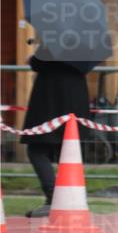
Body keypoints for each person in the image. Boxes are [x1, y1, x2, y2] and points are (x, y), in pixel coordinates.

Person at [22, 43, 91, 217]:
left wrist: (32, 57)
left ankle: (53, 198)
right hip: (76, 98)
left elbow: (39, 63)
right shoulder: (87, 42)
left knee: (36, 150)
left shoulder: (56, 37)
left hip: (50, 99)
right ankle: (72, 199)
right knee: (68, 152)